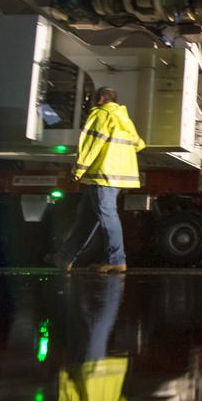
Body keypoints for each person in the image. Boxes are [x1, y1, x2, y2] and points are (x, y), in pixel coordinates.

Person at [52, 87, 146, 273]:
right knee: (86, 217)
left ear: (101, 98)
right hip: (116, 176)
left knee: (108, 217)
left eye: (93, 99)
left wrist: (78, 170)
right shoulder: (123, 118)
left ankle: (116, 259)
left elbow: (91, 145)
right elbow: (139, 144)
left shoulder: (101, 115)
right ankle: (65, 257)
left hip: (103, 175)